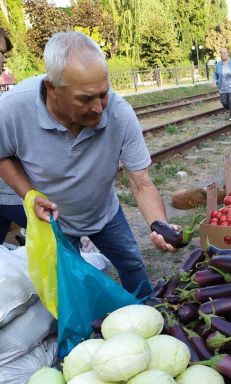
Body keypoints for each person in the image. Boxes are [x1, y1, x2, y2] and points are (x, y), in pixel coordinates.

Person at [0, 30, 177, 298]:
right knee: (71, 288)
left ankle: (147, 312)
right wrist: (29, 194)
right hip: (55, 222)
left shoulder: (119, 113)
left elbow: (141, 183)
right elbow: (2, 155)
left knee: (132, 264)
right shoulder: (13, 109)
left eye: (103, 94)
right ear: (52, 89)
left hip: (105, 214)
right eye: (84, 98)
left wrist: (159, 225)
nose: (98, 108)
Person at [0, 28, 27, 244]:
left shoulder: (4, 99)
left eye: (4, 54)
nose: (2, 59)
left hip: (10, 192)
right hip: (11, 195)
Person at [213, 47, 231, 121]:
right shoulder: (218, 64)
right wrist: (214, 81)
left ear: (227, 54)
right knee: (224, 101)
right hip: (222, 87)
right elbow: (215, 74)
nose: (223, 54)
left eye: (224, 53)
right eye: (222, 53)